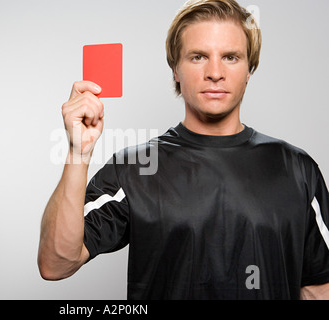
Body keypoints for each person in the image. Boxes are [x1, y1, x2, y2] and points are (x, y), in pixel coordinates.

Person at [38, 0, 329, 300]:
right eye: (198, 56)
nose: (215, 72)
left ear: (249, 70)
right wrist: (77, 152)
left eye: (230, 57)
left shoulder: (296, 168)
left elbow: (319, 288)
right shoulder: (137, 166)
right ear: (176, 69)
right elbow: (56, 263)